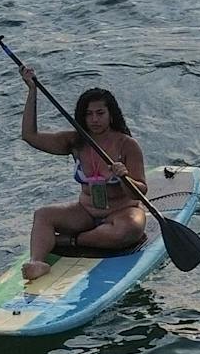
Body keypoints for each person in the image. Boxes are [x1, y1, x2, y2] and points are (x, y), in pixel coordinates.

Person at [15, 71, 151, 283]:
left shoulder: (127, 145)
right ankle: (37, 262)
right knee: (43, 214)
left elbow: (141, 190)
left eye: (100, 113)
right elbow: (29, 136)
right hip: (85, 213)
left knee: (131, 228)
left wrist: (125, 177)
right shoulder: (75, 141)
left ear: (111, 114)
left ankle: (67, 241)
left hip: (121, 212)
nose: (94, 119)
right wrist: (32, 91)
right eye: (88, 114)